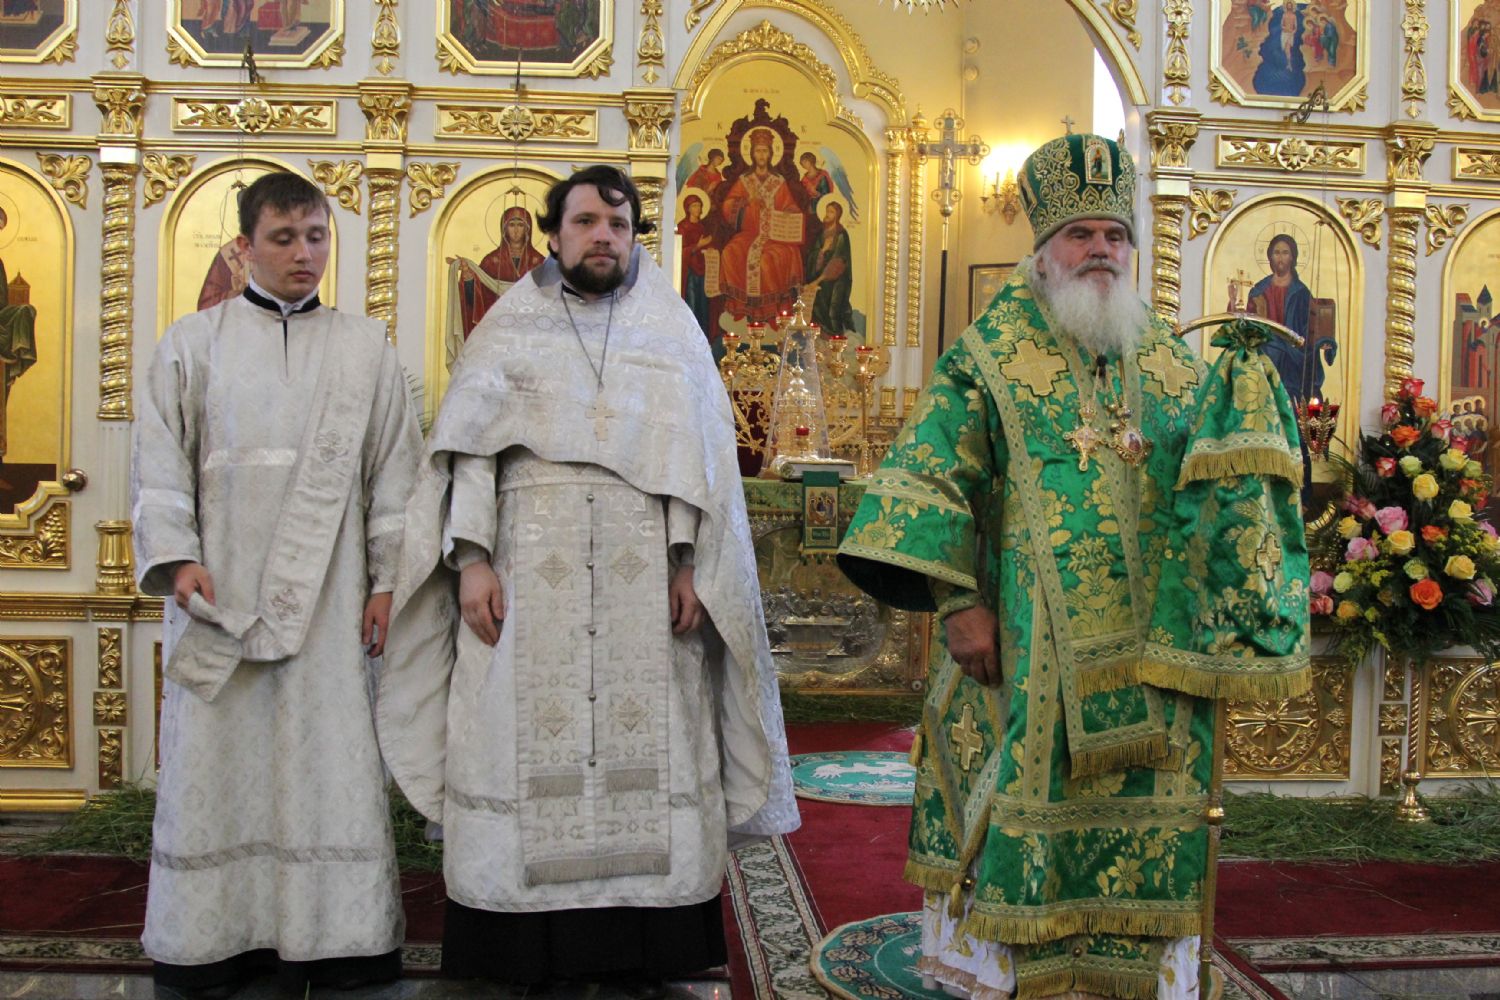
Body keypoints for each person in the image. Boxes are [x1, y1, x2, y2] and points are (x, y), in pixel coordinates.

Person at [837, 134, 1309, 1000]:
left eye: (1115, 235)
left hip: (1155, 663)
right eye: (1081, 234)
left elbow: (1214, 496)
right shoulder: (989, 354)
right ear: (1045, 249)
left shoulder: (1170, 360)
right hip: (1026, 655)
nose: (1101, 250)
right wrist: (958, 605)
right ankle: (1017, 977)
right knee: (1029, 806)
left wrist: (1248, 417)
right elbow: (927, 479)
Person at [378, 165, 799, 992]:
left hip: (646, 579)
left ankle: (649, 952)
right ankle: (520, 952)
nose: (603, 236)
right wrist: (471, 560)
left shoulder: (670, 329)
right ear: (553, 235)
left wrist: (690, 564)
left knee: (654, 742)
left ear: (634, 234)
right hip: (528, 573)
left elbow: (699, 465)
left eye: (618, 223)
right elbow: (470, 453)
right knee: (516, 737)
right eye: (585, 222)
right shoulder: (509, 327)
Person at [132, 171, 421, 998]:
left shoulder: (365, 350)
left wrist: (386, 584)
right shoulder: (193, 343)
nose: (304, 254)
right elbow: (159, 462)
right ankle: (215, 940)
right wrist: (177, 557)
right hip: (219, 596)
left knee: (327, 763)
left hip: (330, 604)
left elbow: (395, 477)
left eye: (316, 236)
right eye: (284, 238)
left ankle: (341, 942)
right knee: (218, 765)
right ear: (244, 246)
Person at [718, 125, 807, 323]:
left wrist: (788, 213)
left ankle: (772, 312)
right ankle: (742, 309)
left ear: (770, 154)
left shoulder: (778, 182)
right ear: (752, 153)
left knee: (769, 260)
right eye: (758, 150)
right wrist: (745, 203)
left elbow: (791, 206)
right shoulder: (745, 180)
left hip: (775, 238)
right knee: (730, 252)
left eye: (765, 151)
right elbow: (728, 205)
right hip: (749, 235)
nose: (761, 155)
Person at [1247, 232, 1319, 400]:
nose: (1280, 258)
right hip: (1265, 356)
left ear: (1292, 257)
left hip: (1291, 358)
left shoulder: (1301, 293)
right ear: (1270, 257)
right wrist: (1234, 302)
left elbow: (1310, 327)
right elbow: (1247, 323)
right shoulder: (1259, 290)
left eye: (1285, 253)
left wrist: (1319, 340)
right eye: (1277, 253)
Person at [803, 200, 853, 336]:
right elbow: (812, 255)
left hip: (837, 281)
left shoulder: (841, 235)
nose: (827, 214)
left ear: (838, 215)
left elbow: (838, 261)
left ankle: (835, 341)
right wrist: (821, 252)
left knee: (833, 311)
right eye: (827, 211)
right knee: (818, 309)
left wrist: (818, 280)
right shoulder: (822, 234)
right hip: (821, 281)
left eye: (831, 212)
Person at [675, 192, 714, 339]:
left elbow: (707, 245)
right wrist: (698, 245)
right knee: (691, 303)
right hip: (689, 271)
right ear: (688, 208)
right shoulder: (682, 227)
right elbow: (680, 251)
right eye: (694, 206)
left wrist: (709, 250)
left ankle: (704, 338)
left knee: (703, 305)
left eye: (699, 205)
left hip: (703, 269)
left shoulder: (703, 227)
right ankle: (690, 337)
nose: (698, 208)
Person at [1253, 0, 1307, 96]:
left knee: (1287, 49)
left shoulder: (1294, 16)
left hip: (1290, 34)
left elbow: (1295, 26)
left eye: (1290, 5)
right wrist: (1284, 28)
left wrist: (1293, 31)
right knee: (1283, 49)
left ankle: (1289, 64)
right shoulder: (1284, 15)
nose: (1289, 7)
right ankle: (1285, 63)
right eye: (1288, 5)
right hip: (1284, 33)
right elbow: (1282, 24)